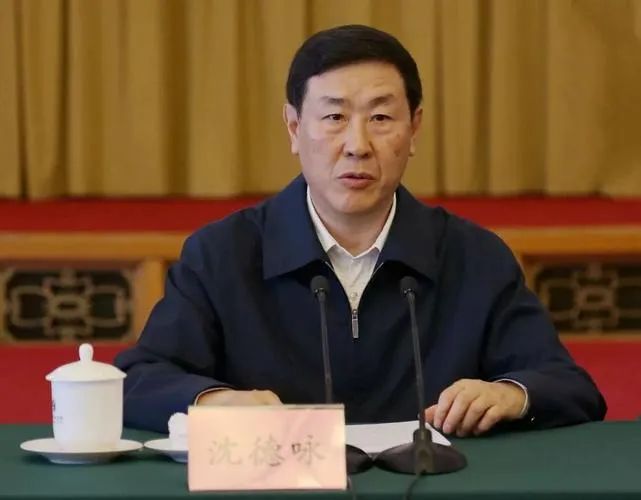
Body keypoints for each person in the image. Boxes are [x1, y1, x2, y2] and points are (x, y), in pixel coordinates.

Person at [115, 24, 606, 436]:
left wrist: (510, 394)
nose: (357, 144)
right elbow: (139, 380)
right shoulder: (223, 253)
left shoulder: (473, 255)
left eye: (381, 117)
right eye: (334, 117)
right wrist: (214, 400)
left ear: (414, 129)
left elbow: (568, 385)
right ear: (294, 128)